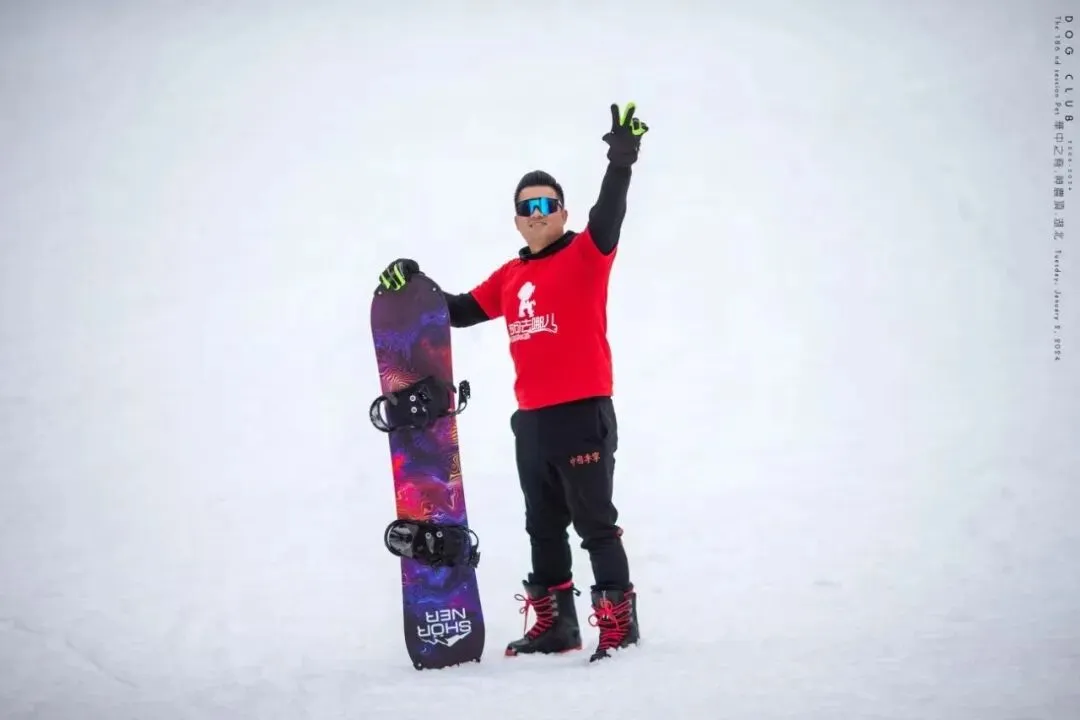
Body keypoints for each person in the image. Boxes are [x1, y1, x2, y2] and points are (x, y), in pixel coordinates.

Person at [377, 101, 649, 662]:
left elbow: (610, 214)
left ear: (563, 212)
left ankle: (618, 626)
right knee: (542, 527)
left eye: (547, 204)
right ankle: (558, 628)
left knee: (596, 525)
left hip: (583, 414)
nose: (537, 213)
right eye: (528, 207)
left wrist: (621, 160)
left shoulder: (586, 253)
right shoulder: (511, 275)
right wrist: (415, 283)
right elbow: (455, 311)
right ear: (517, 218)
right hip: (532, 421)